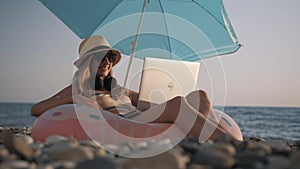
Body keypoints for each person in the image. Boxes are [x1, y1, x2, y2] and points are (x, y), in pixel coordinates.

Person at [31, 35, 243, 141]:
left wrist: (168, 100)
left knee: (201, 96)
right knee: (178, 104)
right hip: (124, 123)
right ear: (88, 63)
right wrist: (75, 99)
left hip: (140, 115)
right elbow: (37, 109)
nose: (106, 62)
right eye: (100, 58)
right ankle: (230, 144)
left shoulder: (119, 89)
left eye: (109, 58)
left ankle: (208, 139)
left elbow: (147, 102)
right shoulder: (77, 88)